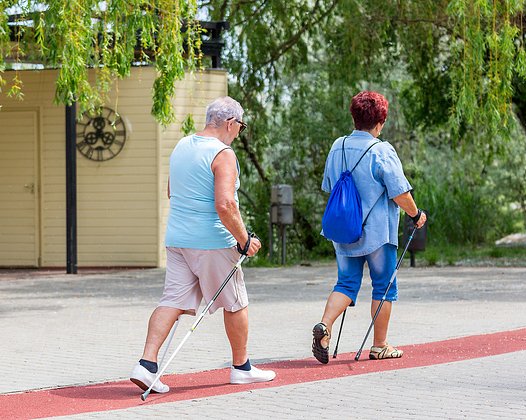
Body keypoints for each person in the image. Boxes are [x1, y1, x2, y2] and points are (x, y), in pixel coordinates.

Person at [130, 96, 276, 393]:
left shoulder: (182, 145)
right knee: (235, 303)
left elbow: (173, 192)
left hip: (177, 239)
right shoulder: (223, 153)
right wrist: (244, 240)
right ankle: (242, 368)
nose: (239, 132)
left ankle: (146, 364)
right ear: (230, 123)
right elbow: (225, 204)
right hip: (211, 242)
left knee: (171, 301)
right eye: (240, 126)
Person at [312, 91, 427, 364]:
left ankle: (324, 326)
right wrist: (416, 213)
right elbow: (399, 192)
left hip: (343, 230)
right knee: (384, 287)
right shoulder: (381, 150)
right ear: (380, 122)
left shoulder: (337, 146)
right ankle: (380, 346)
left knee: (346, 283)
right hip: (377, 234)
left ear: (354, 117)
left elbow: (329, 185)